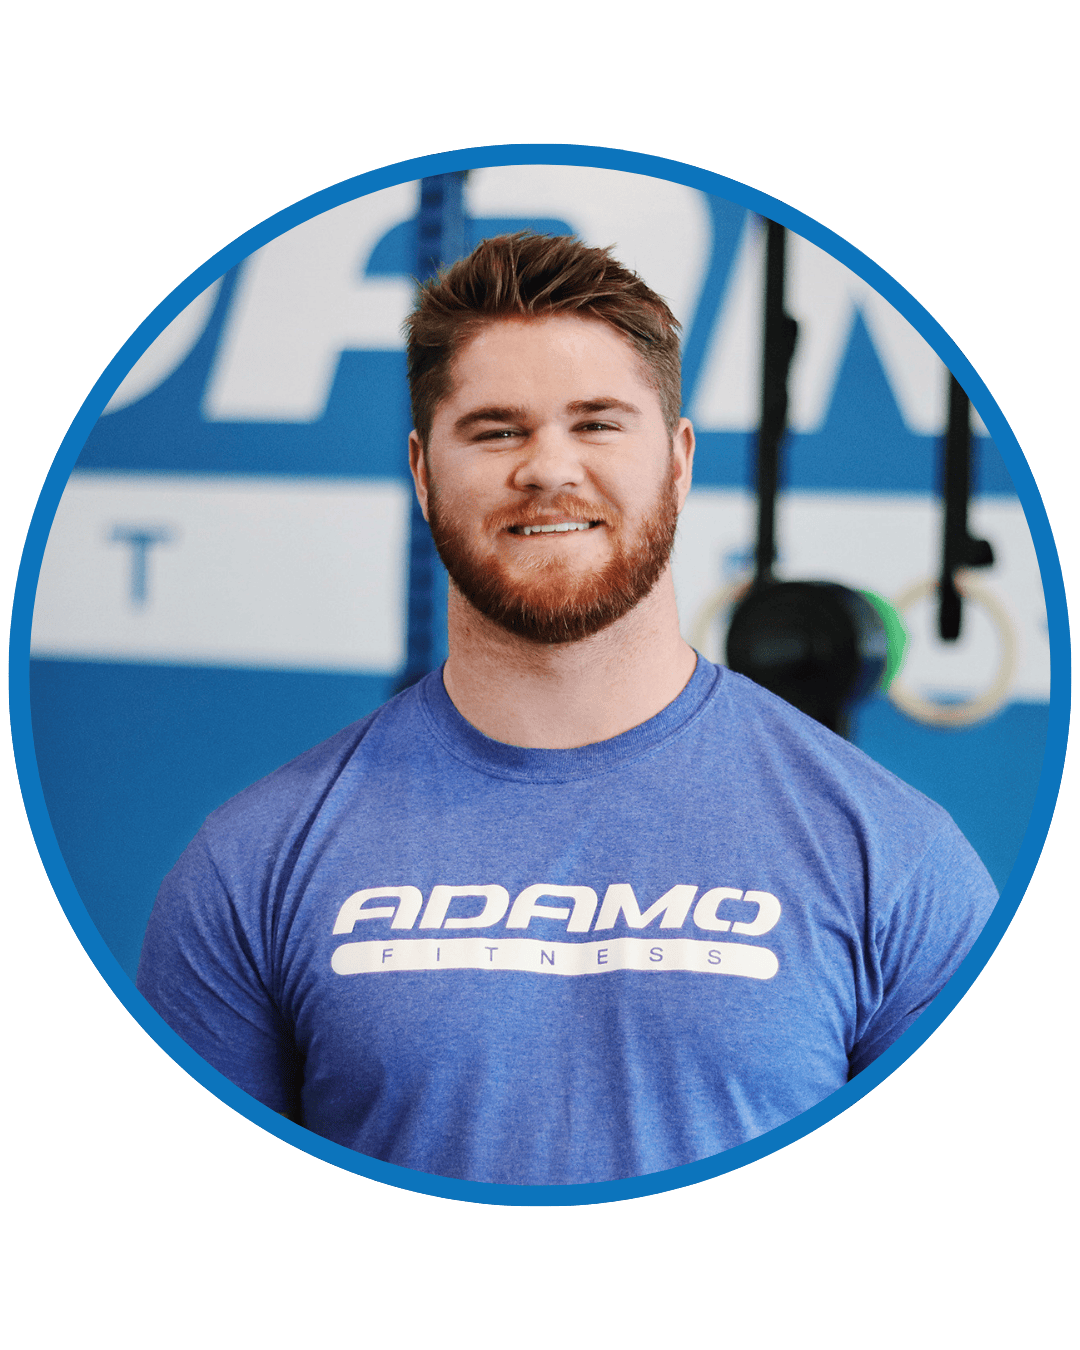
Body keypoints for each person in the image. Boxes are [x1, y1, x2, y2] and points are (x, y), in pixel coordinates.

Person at [137, 232, 997, 1187]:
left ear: (676, 458)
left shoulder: (892, 855)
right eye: (498, 429)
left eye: (596, 423)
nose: (548, 469)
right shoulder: (255, 862)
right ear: (423, 471)